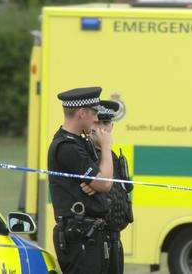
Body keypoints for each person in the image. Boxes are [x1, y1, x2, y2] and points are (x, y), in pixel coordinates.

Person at [48, 87, 113, 274]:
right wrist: (106, 146)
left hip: (88, 234)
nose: (95, 119)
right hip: (79, 235)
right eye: (93, 113)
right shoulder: (67, 146)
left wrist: (98, 183)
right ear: (82, 113)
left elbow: (101, 181)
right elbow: (105, 183)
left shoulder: (80, 143)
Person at [82, 100, 133, 274]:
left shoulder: (112, 156)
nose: (103, 128)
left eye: (106, 123)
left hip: (114, 237)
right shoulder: (84, 153)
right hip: (94, 239)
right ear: (90, 123)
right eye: (98, 122)